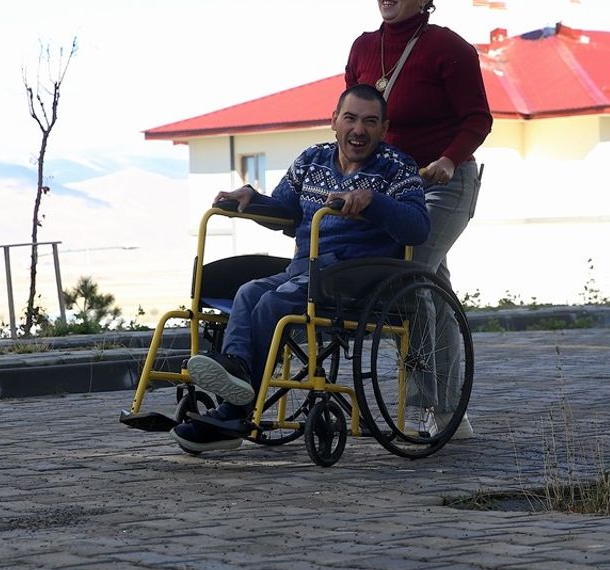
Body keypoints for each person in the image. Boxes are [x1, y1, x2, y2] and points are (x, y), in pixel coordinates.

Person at [171, 84, 430, 453]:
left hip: (357, 276)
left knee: (275, 303)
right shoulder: (312, 159)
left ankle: (235, 408)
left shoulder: (396, 168)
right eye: (351, 118)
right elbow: (286, 214)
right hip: (306, 269)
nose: (359, 129)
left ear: (383, 128)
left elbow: (417, 228)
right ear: (334, 121)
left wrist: (374, 201)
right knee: (249, 292)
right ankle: (237, 378)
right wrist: (252, 200)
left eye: (370, 121)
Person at [344, 0, 492, 439]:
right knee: (434, 292)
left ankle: (432, 403)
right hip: (391, 186)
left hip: (442, 181)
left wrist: (449, 159)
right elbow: (356, 118)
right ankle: (452, 412)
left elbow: (478, 118)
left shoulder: (449, 48)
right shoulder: (364, 47)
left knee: (410, 279)